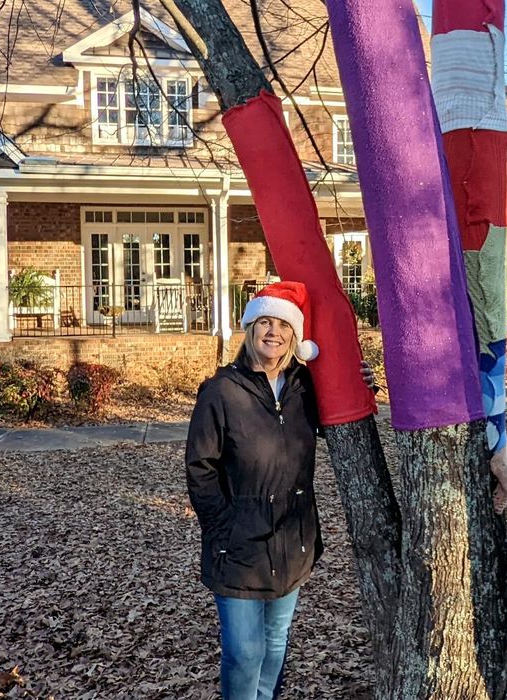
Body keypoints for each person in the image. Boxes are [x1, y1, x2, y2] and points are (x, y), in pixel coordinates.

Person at [185, 280, 371, 700]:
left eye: (283, 325)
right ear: (250, 330)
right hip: (239, 546)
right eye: (264, 322)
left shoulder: (303, 386)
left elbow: (339, 418)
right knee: (243, 652)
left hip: (293, 538)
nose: (274, 332)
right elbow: (200, 467)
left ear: (295, 335)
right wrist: (223, 526)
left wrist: (361, 383)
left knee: (274, 642)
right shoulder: (221, 391)